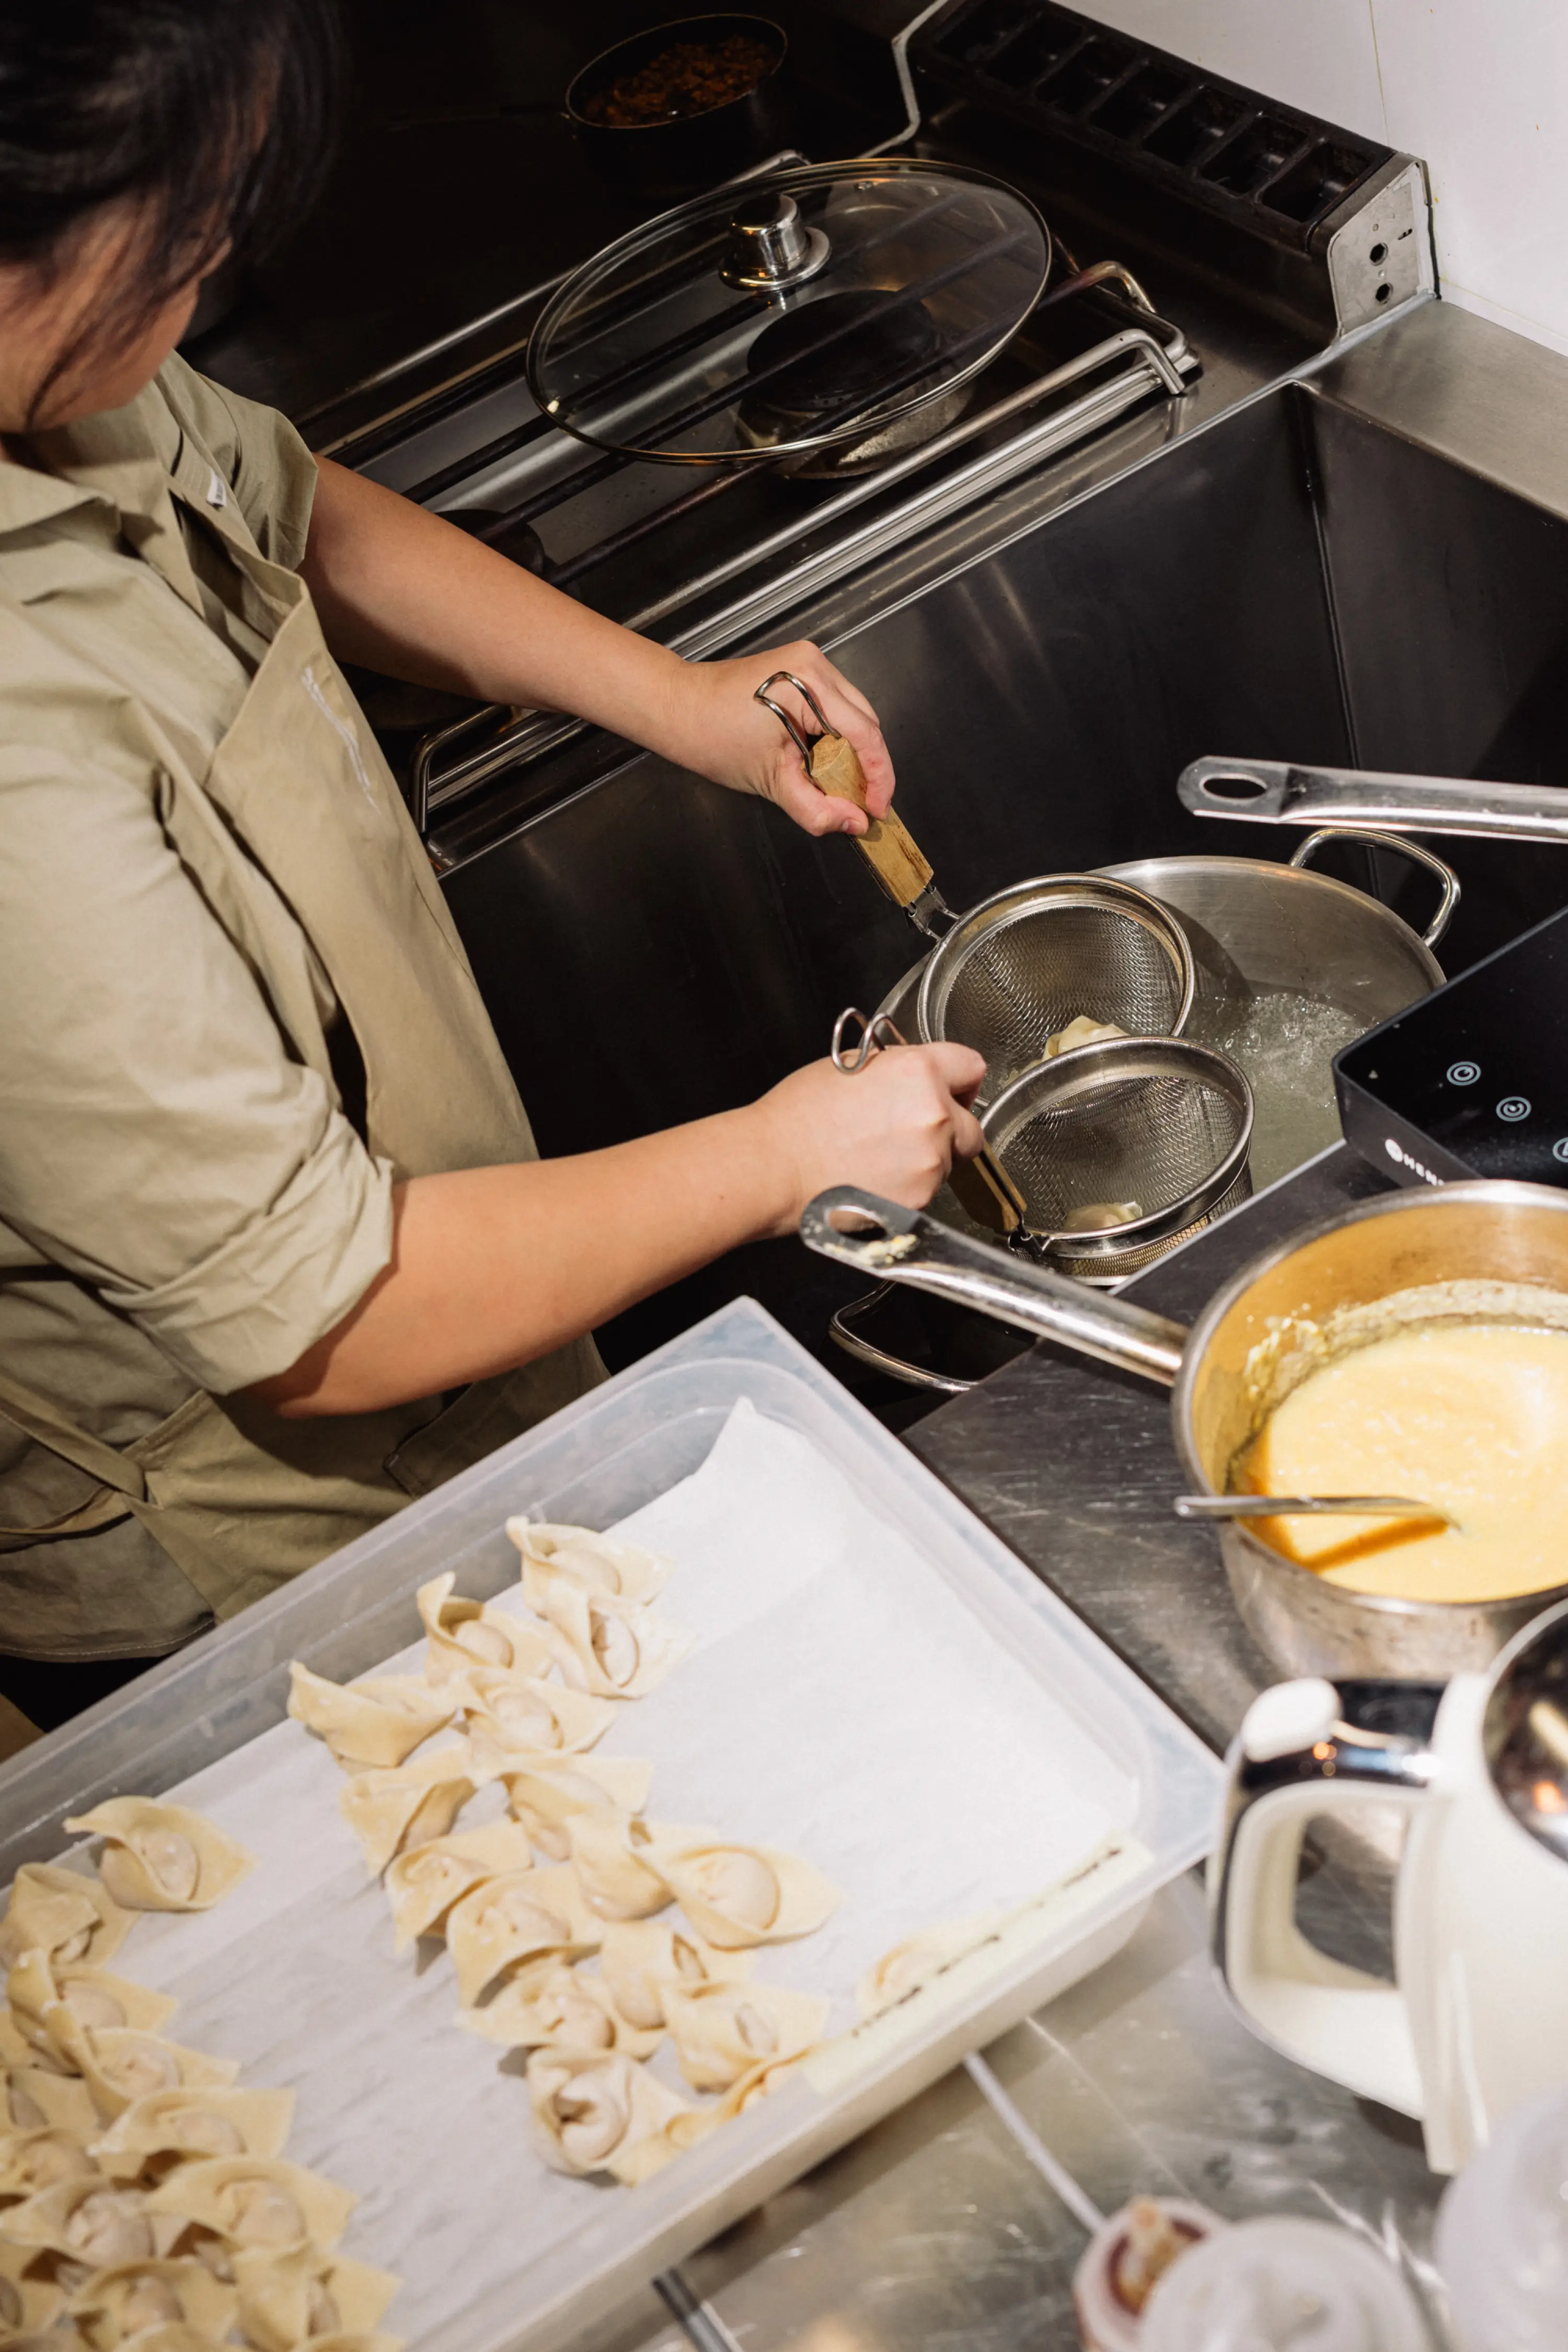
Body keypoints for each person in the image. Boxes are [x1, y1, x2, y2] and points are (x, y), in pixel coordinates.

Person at [0, 0, 986, 1725]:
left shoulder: (57, 385)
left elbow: (286, 497)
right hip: (263, 1554)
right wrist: (783, 1156)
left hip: (458, 1304)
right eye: (176, 225)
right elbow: (330, 1319)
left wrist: (685, 705)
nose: (218, 257)